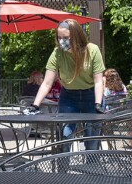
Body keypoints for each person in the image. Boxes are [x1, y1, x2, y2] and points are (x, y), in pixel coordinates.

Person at [24, 19, 105, 149]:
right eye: (59, 37)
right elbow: (47, 82)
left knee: (92, 139)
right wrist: (35, 105)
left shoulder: (92, 50)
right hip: (69, 97)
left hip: (91, 96)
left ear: (76, 36)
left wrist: (98, 103)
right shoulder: (57, 53)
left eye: (66, 38)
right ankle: (63, 168)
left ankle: (91, 167)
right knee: (64, 135)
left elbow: (98, 81)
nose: (62, 41)